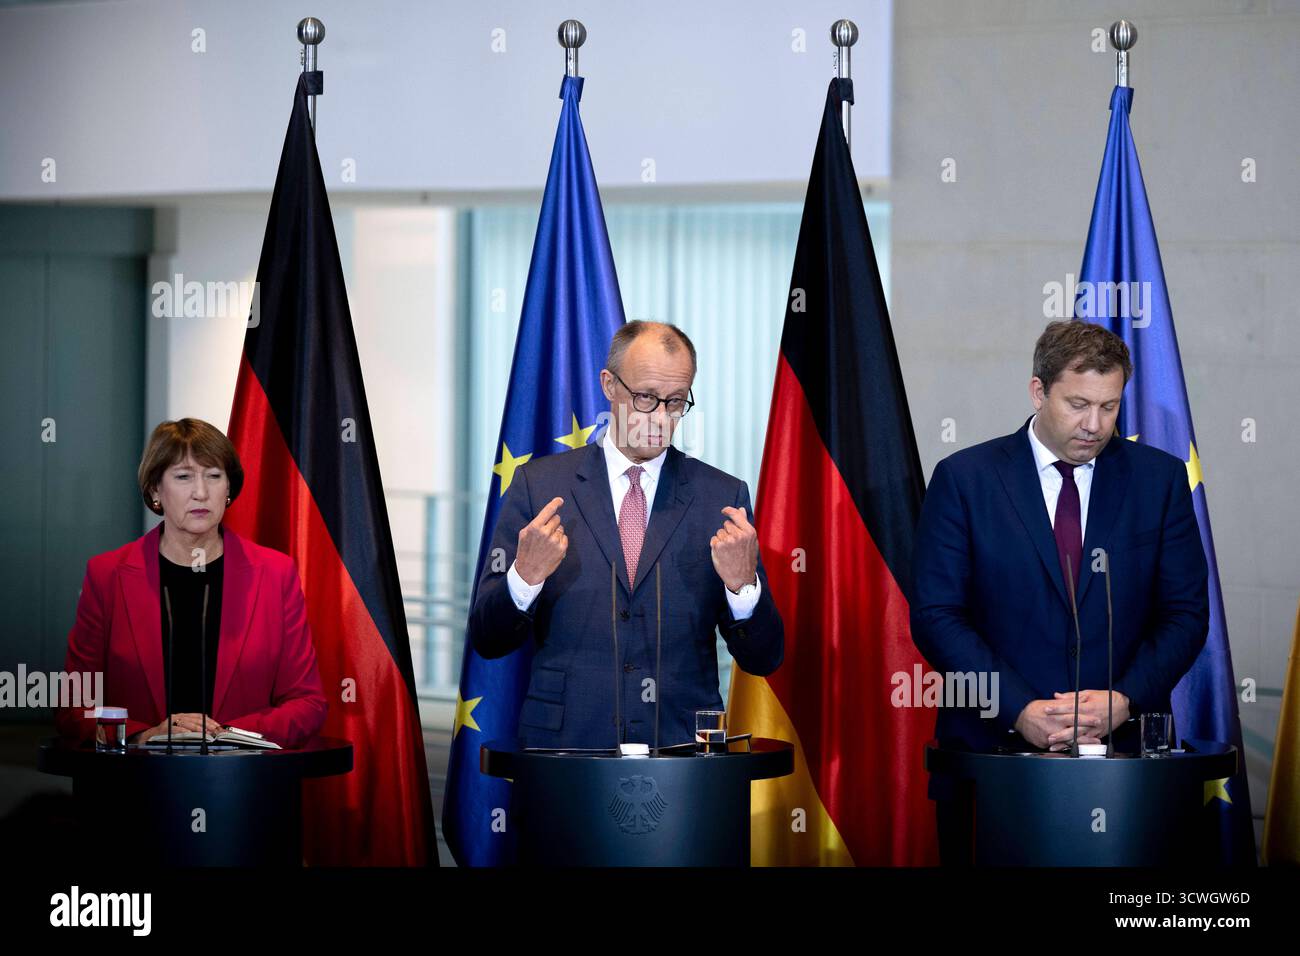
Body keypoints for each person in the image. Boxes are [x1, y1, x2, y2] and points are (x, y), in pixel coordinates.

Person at [910, 320, 1209, 862]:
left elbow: (1186, 614)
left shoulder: (1159, 481)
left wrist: (1125, 698)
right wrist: (1017, 706)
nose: (1094, 425)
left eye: (1110, 407)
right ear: (1037, 391)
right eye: (1077, 404)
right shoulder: (965, 478)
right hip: (992, 756)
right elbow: (936, 615)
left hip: (1126, 759)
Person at [470, 321, 784, 749]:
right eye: (646, 397)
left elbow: (764, 657)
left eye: (675, 402)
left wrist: (742, 587)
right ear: (609, 385)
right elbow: (488, 639)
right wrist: (524, 578)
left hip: (683, 756)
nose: (660, 417)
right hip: (565, 752)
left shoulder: (722, 497)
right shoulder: (539, 486)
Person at [57, 418, 327, 749]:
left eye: (214, 476)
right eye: (184, 476)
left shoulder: (276, 574)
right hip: (137, 783)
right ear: (156, 489)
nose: (201, 492)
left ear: (228, 488)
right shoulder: (107, 575)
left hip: (241, 784)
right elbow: (74, 708)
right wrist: (144, 735)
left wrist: (224, 733)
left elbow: (307, 704)